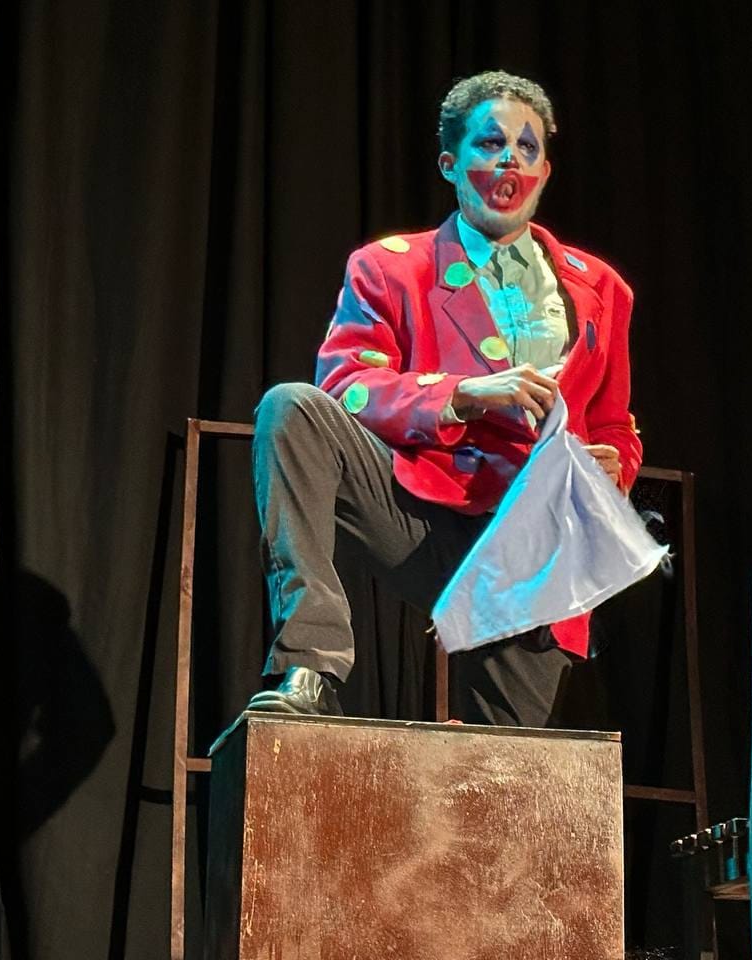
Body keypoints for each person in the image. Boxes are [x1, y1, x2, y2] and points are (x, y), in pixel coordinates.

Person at [239, 70, 641, 729]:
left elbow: (615, 424)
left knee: (510, 767)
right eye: (490, 144)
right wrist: (463, 395)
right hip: (419, 511)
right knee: (294, 409)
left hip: (528, 543)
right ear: (451, 164)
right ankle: (309, 663)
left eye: (527, 147)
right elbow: (347, 384)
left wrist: (612, 467)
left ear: (544, 171)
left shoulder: (601, 289)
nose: (510, 160)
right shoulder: (392, 267)